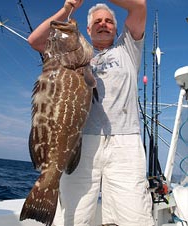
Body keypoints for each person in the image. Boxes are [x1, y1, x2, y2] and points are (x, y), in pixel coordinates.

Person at [28, 0, 155, 225]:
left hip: (125, 144)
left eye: (108, 21)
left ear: (117, 29)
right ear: (88, 30)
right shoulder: (71, 55)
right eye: (97, 21)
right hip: (79, 143)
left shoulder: (128, 48)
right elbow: (35, 40)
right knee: (72, 219)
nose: (103, 24)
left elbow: (139, 6)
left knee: (135, 217)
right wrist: (69, 9)